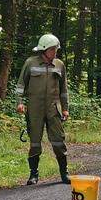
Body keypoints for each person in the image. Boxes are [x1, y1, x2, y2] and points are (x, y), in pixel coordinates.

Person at [17, 33, 70, 185]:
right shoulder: (30, 63)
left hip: (54, 108)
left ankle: (64, 173)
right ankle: (33, 175)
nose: (55, 52)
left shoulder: (59, 65)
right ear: (44, 49)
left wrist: (65, 108)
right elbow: (21, 85)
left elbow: (64, 89)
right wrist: (19, 102)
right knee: (34, 142)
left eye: (56, 49)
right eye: (53, 49)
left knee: (59, 141)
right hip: (34, 108)